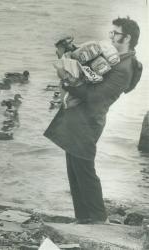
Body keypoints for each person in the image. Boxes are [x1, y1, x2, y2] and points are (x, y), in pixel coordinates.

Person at [44, 17, 141, 224]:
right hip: (81, 118)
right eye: (111, 32)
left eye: (115, 33)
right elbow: (92, 64)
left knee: (84, 168)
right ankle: (83, 218)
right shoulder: (116, 57)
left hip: (89, 121)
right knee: (74, 166)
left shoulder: (124, 69)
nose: (111, 36)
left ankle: (98, 219)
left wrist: (68, 81)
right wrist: (71, 52)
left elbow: (96, 97)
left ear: (128, 37)